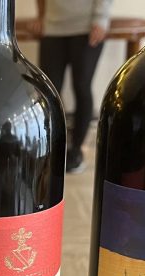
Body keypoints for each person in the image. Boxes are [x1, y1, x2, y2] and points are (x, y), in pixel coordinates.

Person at [32, 0, 113, 173]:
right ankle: (52, 149)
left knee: (82, 86)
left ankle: (76, 151)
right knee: (48, 90)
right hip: (52, 27)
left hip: (86, 26)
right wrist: (41, 16)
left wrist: (101, 18)